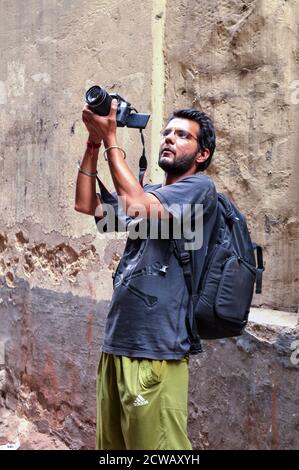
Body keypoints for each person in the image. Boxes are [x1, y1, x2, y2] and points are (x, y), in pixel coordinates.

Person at [75, 99, 217, 450]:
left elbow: (139, 205)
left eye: (182, 135)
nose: (169, 138)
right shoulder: (152, 192)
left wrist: (112, 140)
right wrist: (93, 143)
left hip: (157, 349)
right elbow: (86, 204)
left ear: (202, 154)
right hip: (117, 342)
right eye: (167, 132)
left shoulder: (199, 191)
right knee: (115, 451)